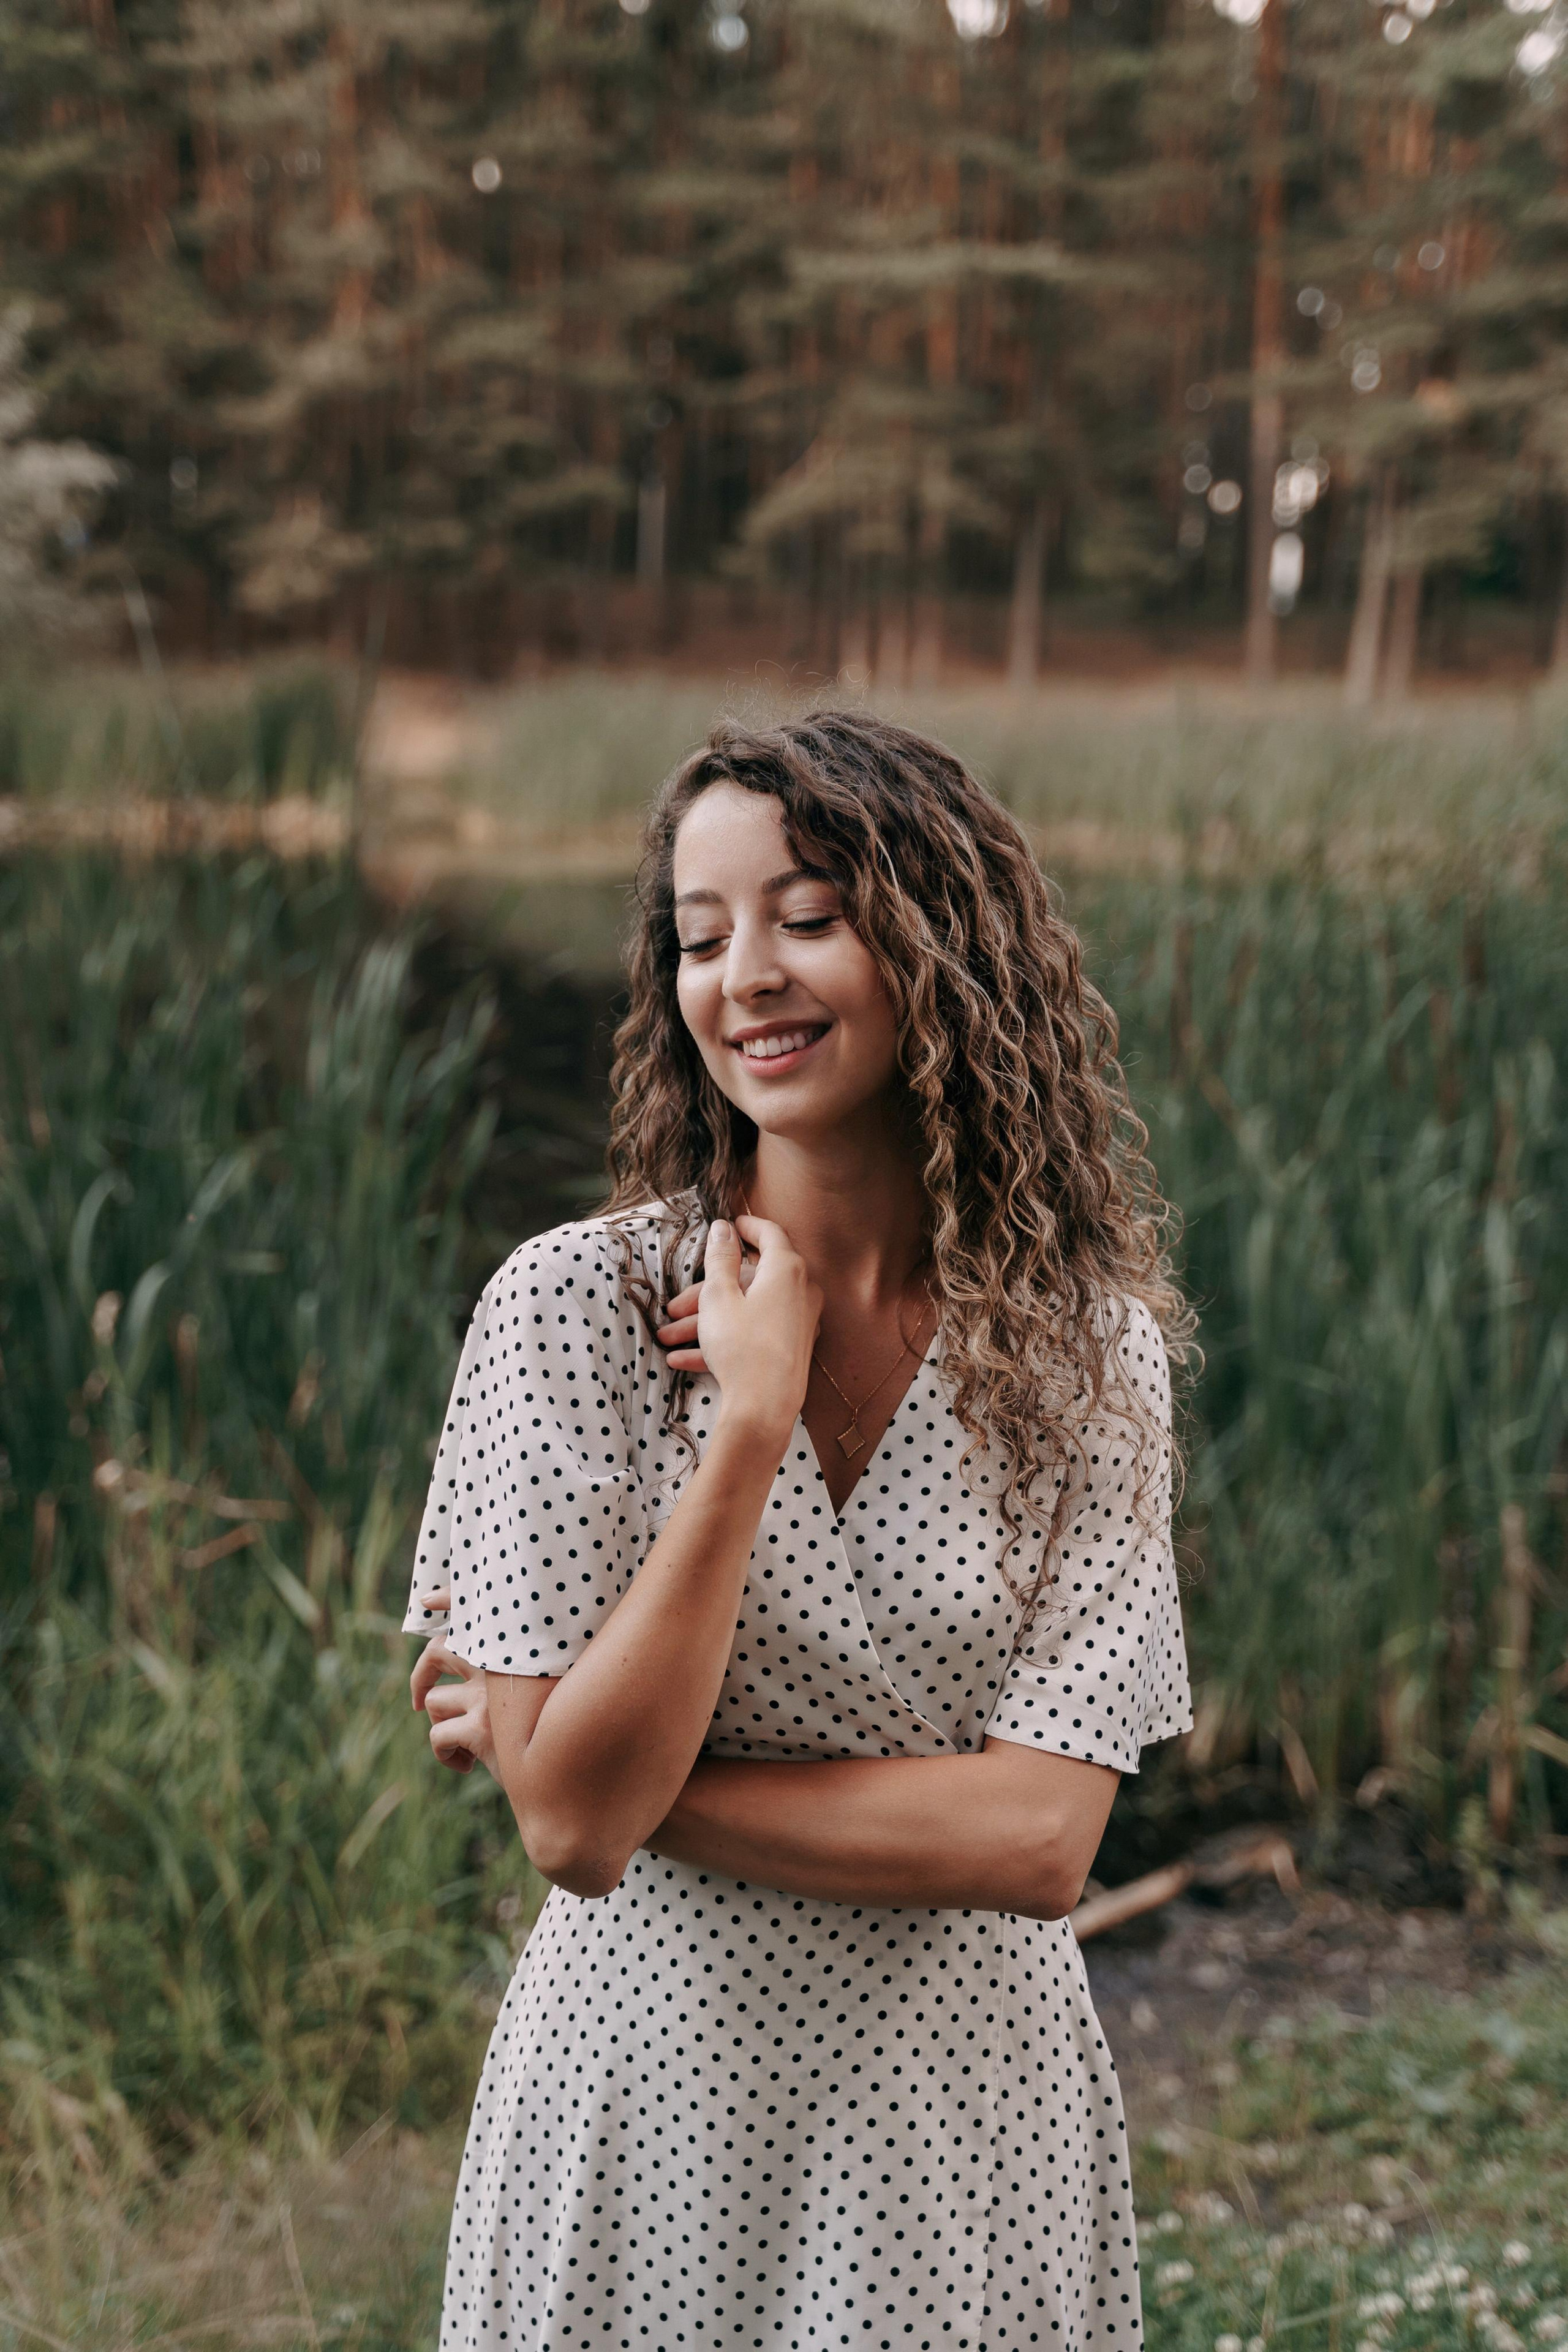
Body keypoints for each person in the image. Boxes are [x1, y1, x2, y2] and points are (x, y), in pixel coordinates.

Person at [405, 710, 1194, 2352]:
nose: (746, 974)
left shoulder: (1086, 1353)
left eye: (809, 918)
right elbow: (569, 1837)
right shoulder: (574, 1313)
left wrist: (596, 1771)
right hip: (645, 2108)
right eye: (704, 937)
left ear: (944, 949)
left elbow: (1039, 1843)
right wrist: (747, 1428)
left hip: (965, 2125)